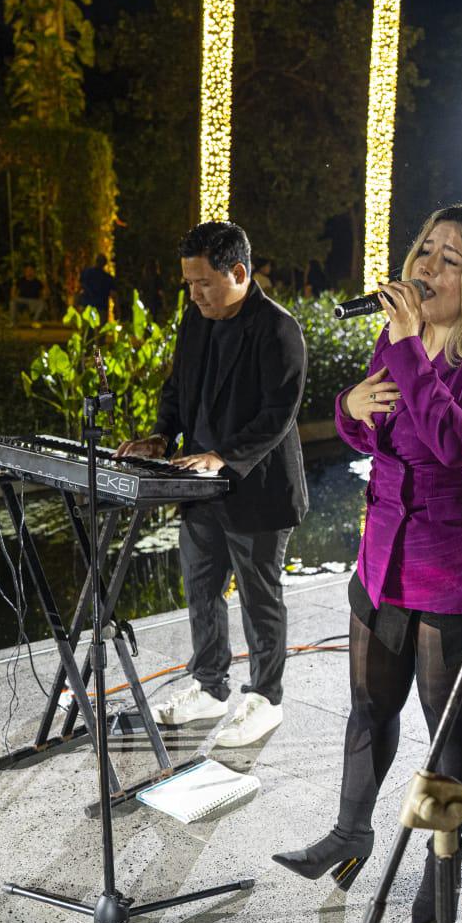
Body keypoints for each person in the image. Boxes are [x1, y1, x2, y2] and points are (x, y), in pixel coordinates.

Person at [271, 204, 462, 923]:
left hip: (460, 568)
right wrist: (349, 407)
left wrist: (406, 349)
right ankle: (350, 830)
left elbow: (456, 444)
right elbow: (370, 427)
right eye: (425, 251)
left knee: (446, 727)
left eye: (448, 259)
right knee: (368, 705)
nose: (426, 268)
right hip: (383, 556)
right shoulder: (402, 339)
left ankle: (442, 865)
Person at [117, 222, 308, 748]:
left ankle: (265, 699)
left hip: (258, 489)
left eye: (203, 282)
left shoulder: (276, 328)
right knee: (201, 591)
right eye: (189, 283)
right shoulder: (195, 321)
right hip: (198, 488)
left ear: (239, 272)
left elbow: (278, 414)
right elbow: (178, 388)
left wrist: (223, 457)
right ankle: (210, 687)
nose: (194, 293)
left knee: (258, 598)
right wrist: (161, 435)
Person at [78, 254, 117, 319]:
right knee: (99, 328)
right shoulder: (108, 278)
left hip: (86, 306)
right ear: (105, 264)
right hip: (101, 308)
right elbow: (114, 295)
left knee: (87, 327)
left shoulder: (86, 272)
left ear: (95, 261)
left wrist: (76, 304)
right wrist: (116, 309)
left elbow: (80, 287)